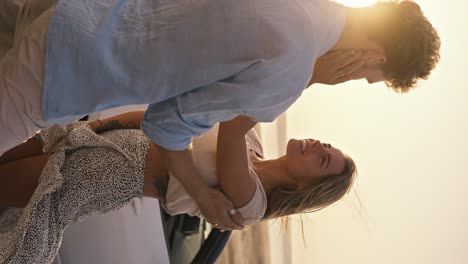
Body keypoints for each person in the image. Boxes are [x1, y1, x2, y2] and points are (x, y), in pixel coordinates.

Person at [0, 0, 439, 228]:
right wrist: (204, 196)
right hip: (66, 70)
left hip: (77, 16)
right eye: (370, 74)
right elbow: (167, 125)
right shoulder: (290, 71)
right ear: (375, 53)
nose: (357, 77)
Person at [0, 111, 356, 263]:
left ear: (303, 185)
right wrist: (100, 125)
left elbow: (230, 127)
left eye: (322, 160)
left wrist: (303, 76)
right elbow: (170, 117)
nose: (317, 146)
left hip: (106, 174)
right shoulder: (254, 140)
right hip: (98, 139)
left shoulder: (251, 203)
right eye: (325, 145)